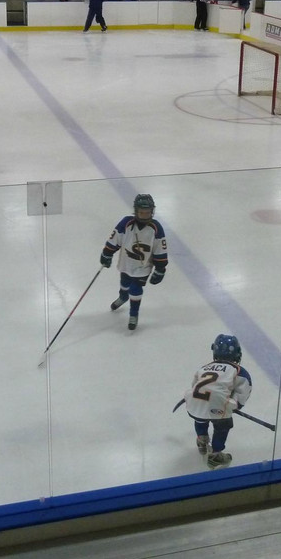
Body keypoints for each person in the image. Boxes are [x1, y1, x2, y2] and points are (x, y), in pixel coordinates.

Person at [99, 193, 168, 331]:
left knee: (135, 289)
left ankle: (133, 314)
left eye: (147, 213)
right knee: (124, 284)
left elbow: (160, 249)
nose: (144, 216)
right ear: (136, 211)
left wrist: (160, 269)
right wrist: (107, 253)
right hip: (126, 263)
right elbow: (115, 240)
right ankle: (123, 297)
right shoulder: (126, 223)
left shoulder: (156, 228)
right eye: (141, 213)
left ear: (152, 212)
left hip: (143, 266)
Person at [183, 334, 252, 469]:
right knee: (223, 424)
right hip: (218, 406)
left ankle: (201, 440)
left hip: (194, 402)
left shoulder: (204, 367)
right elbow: (243, 391)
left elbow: (195, 385)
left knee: (200, 417)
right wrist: (235, 405)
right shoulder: (238, 370)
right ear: (237, 353)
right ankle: (215, 455)